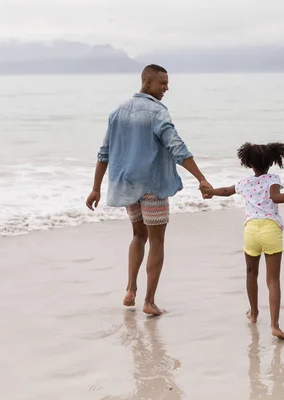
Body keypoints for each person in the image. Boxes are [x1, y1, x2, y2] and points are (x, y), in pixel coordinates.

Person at [86, 64, 212, 316]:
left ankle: (130, 289)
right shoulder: (157, 113)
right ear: (147, 82)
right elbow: (177, 147)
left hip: (127, 184)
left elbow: (104, 153)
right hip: (153, 186)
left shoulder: (117, 112)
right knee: (156, 241)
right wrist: (201, 178)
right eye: (162, 83)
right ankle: (149, 301)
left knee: (137, 236)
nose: (166, 88)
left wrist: (96, 188)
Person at [200, 142, 284, 340]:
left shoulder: (244, 183)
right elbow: (276, 198)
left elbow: (227, 191)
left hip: (251, 230)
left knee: (251, 273)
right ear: (271, 161)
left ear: (249, 163)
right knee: (273, 280)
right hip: (270, 229)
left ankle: (253, 313)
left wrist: (210, 192)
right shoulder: (273, 179)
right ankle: (275, 325)